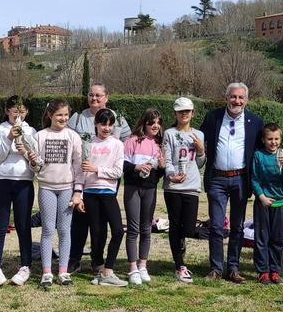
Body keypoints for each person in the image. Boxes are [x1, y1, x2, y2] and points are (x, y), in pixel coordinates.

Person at [199, 83, 263, 283]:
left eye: (241, 97)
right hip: (217, 178)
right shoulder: (213, 117)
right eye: (233, 97)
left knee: (237, 227)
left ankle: (233, 268)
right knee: (217, 226)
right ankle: (216, 268)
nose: (237, 101)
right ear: (226, 98)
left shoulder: (255, 122)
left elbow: (264, 149)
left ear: (246, 100)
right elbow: (199, 141)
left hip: (241, 179)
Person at [67, 84, 132, 271]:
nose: (94, 98)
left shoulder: (117, 118)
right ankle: (74, 258)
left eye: (99, 95)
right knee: (80, 222)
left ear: (106, 97)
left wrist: (111, 156)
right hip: (84, 180)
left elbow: (126, 140)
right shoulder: (78, 118)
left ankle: (98, 260)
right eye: (91, 95)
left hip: (107, 181)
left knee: (100, 224)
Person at [0, 95, 39, 287]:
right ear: (7, 111)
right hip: (1, 181)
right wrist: (9, 138)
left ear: (26, 112)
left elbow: (35, 163)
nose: (18, 114)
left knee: (23, 225)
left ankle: (25, 265)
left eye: (22, 110)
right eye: (14, 110)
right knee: (0, 225)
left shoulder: (31, 130)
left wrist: (26, 152)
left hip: (23, 182)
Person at [34, 98, 84, 287]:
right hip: (46, 187)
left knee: (64, 230)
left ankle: (63, 271)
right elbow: (36, 165)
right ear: (50, 115)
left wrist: (78, 191)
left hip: (67, 188)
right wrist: (33, 162)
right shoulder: (40, 136)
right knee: (47, 230)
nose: (63, 118)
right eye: (59, 115)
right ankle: (47, 272)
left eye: (65, 115)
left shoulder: (73, 136)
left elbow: (78, 167)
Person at [81, 108, 128, 287]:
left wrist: (97, 170)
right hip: (90, 193)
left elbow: (117, 172)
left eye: (110, 125)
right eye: (103, 124)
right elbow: (82, 170)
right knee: (97, 233)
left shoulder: (117, 144)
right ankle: (100, 269)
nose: (106, 128)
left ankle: (109, 269)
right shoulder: (88, 144)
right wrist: (78, 192)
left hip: (108, 193)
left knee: (117, 230)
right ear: (96, 124)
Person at [162, 98, 205, 283]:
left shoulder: (199, 134)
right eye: (180, 111)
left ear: (193, 113)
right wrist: (171, 175)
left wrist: (202, 150)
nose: (184, 114)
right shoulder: (169, 133)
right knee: (175, 225)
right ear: (175, 114)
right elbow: (167, 159)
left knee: (188, 228)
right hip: (173, 187)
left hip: (192, 186)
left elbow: (201, 163)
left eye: (187, 111)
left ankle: (181, 246)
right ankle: (179, 265)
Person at [123, 108, 166, 286]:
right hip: (133, 188)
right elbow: (123, 164)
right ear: (144, 123)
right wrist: (137, 167)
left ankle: (143, 265)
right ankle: (133, 268)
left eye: (158, 123)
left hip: (150, 189)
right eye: (151, 122)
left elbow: (160, 173)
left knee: (146, 228)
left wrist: (162, 167)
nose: (155, 126)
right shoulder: (133, 140)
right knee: (133, 229)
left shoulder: (159, 144)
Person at [251, 122, 283, 283]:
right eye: (270, 139)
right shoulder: (258, 156)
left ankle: (275, 269)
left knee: (276, 238)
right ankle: (263, 271)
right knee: (262, 238)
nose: (273, 142)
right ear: (263, 139)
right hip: (262, 203)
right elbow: (254, 179)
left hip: (278, 204)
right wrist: (261, 196)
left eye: (276, 139)